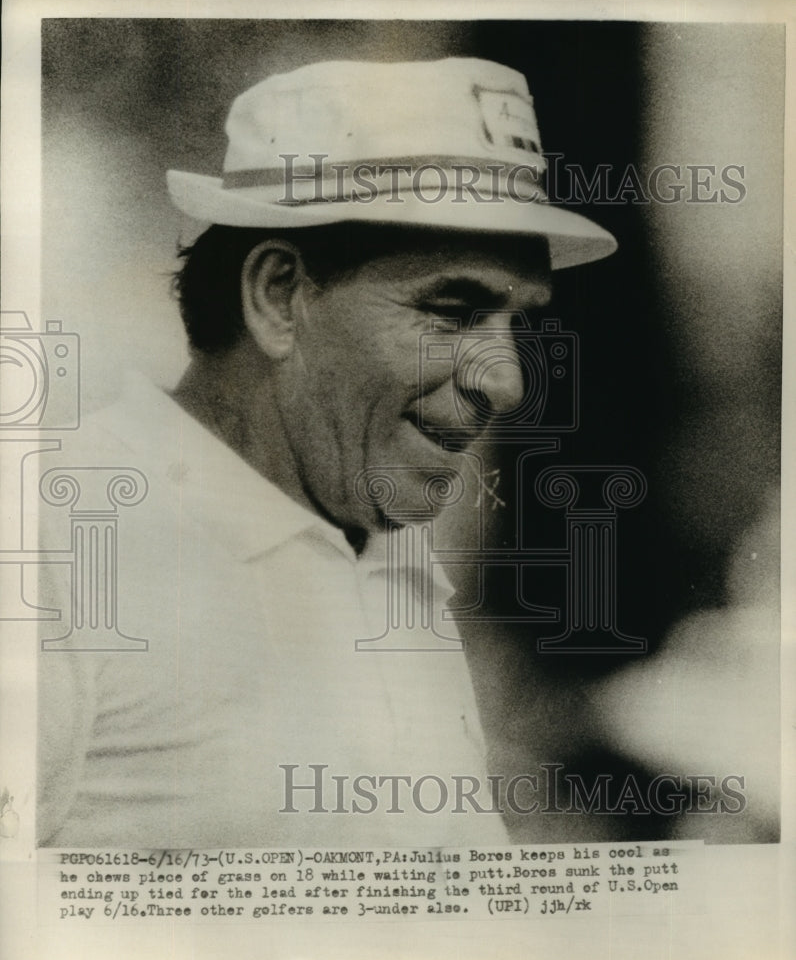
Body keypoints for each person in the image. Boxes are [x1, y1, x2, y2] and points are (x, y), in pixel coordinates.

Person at [37, 57, 619, 848]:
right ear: (279, 297)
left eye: (517, 322)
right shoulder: (55, 544)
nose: (509, 382)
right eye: (452, 311)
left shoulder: (372, 533)